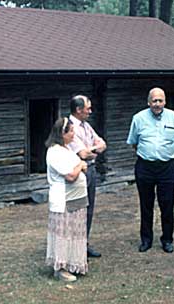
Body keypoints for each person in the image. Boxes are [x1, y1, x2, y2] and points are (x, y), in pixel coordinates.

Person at [126, 87, 174, 253]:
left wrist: (166, 154)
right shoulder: (138, 118)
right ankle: (146, 240)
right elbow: (133, 143)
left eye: (160, 100)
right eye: (154, 101)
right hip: (145, 166)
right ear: (149, 102)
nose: (157, 104)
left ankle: (167, 240)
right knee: (146, 205)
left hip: (167, 167)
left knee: (167, 205)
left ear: (165, 101)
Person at [45, 117, 89, 282]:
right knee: (64, 232)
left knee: (73, 232)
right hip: (63, 199)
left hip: (76, 198)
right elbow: (70, 175)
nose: (73, 134)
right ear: (62, 133)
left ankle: (73, 263)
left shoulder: (66, 149)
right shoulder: (54, 151)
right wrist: (80, 166)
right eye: (70, 131)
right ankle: (61, 268)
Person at [68, 95, 107, 258]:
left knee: (89, 209)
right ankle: (74, 247)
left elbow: (103, 143)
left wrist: (94, 149)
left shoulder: (86, 126)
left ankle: (84, 243)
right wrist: (94, 149)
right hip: (78, 172)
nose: (90, 111)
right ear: (78, 109)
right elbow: (83, 154)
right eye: (88, 108)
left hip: (91, 170)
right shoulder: (70, 128)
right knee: (78, 209)